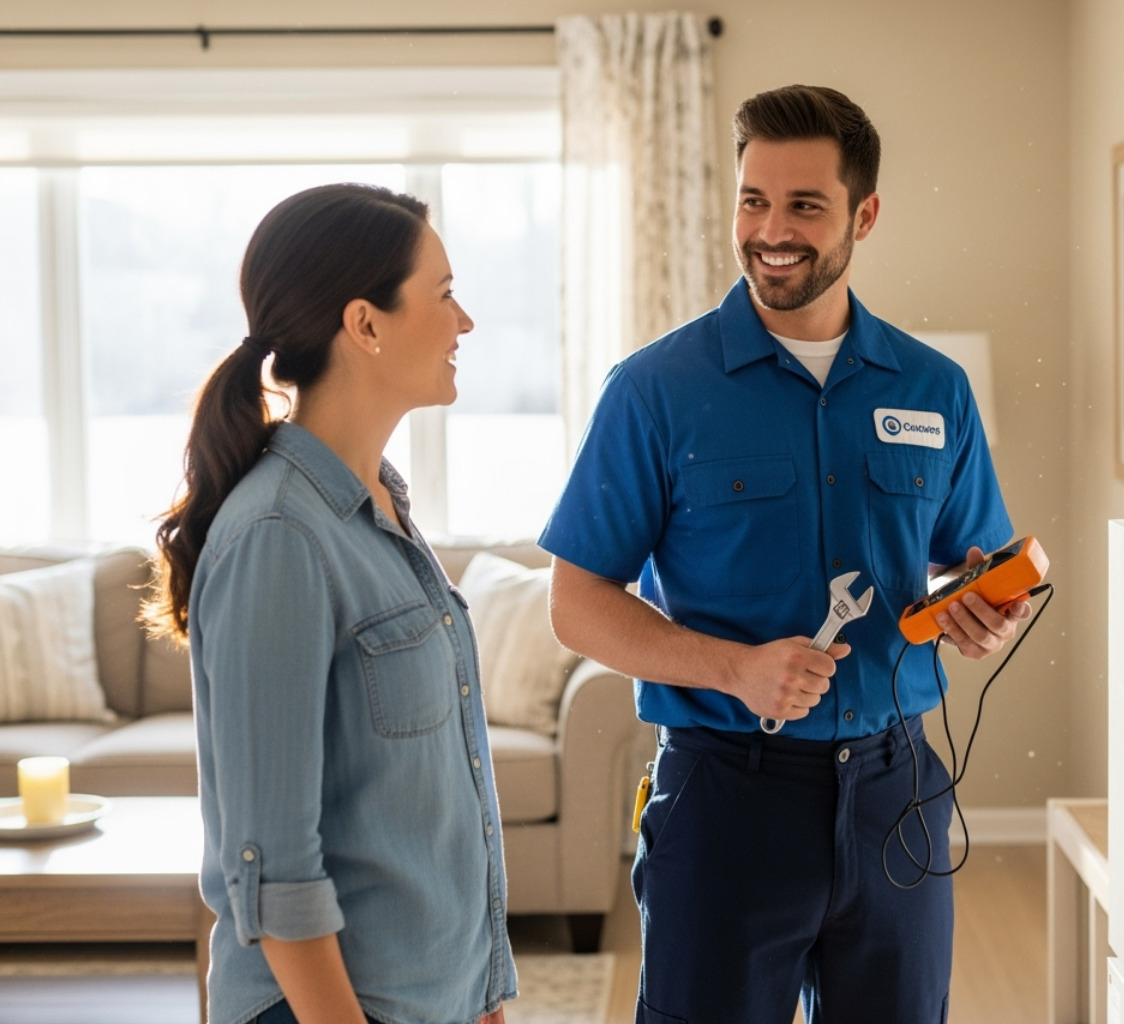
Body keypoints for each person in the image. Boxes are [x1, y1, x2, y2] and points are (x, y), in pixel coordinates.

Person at [541, 85, 1029, 1024]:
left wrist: (976, 610)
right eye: (753, 200)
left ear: (864, 214)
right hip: (728, 796)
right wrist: (734, 669)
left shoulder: (937, 390)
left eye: (805, 205)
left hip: (900, 795)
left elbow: (957, 565)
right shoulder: (654, 391)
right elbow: (577, 601)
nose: (771, 230)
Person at [145, 183, 513, 1024]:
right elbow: (273, 866)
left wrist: (480, 994)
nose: (465, 323)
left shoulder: (380, 503)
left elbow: (429, 807)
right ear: (366, 324)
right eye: (445, 293)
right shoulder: (279, 536)